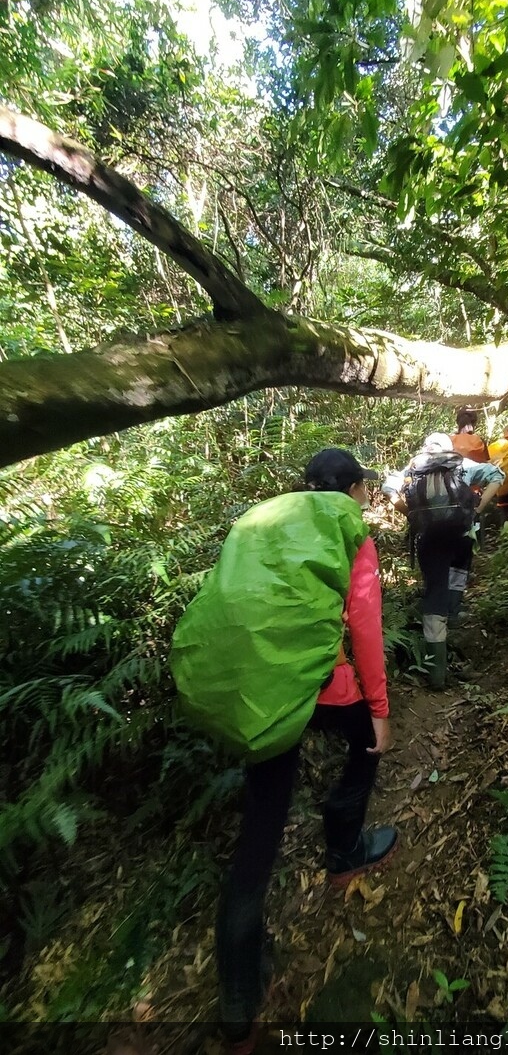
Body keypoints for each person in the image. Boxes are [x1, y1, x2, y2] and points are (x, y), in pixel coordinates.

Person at [171, 449, 396, 1055]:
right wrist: (379, 711)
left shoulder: (258, 517)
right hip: (321, 685)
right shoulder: (348, 527)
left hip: (258, 690)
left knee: (261, 827)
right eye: (362, 488)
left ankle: (238, 997)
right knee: (367, 746)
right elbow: (365, 625)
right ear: (350, 488)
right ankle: (345, 847)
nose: (364, 498)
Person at [382, 433, 503, 690]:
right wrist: (477, 510)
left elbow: (388, 489)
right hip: (461, 539)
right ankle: (454, 640)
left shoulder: (414, 467)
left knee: (434, 593)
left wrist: (411, 514)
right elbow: (496, 475)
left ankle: (437, 673)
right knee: (455, 585)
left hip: (429, 540)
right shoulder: (462, 464)